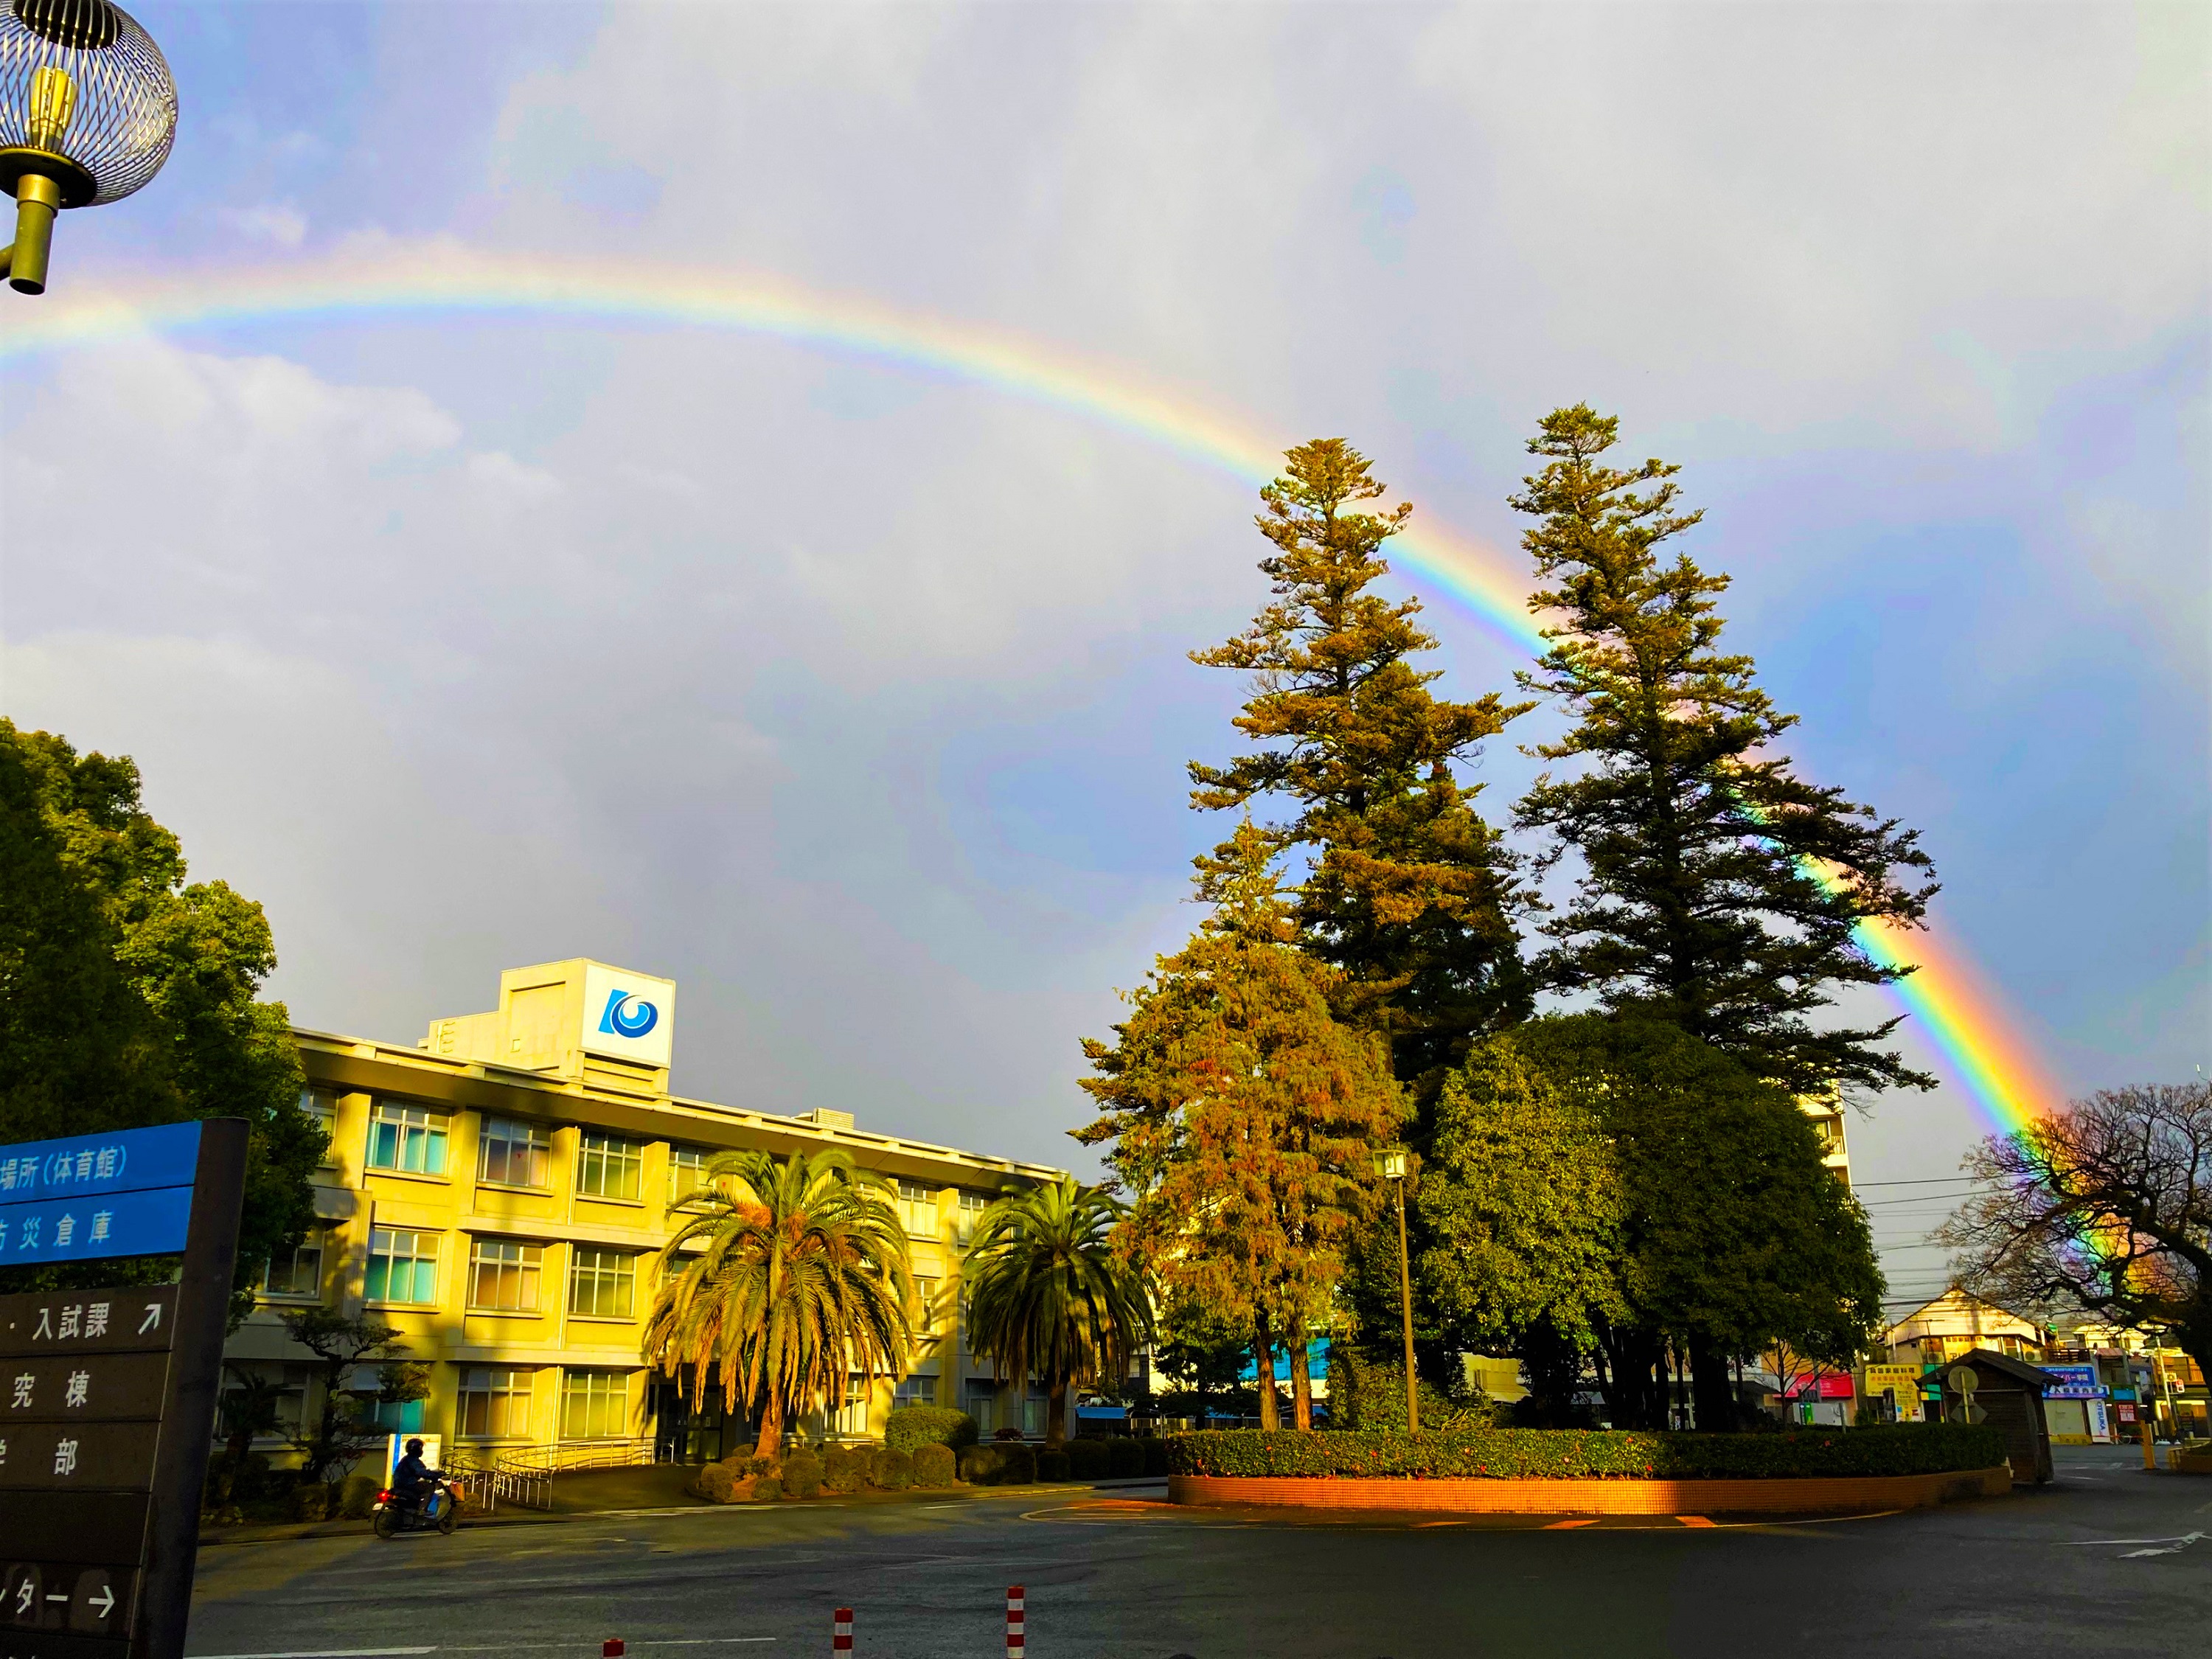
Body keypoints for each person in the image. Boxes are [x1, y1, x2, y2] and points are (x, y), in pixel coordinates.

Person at [392, 1438, 434, 1517]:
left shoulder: (406, 1459)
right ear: (418, 1449)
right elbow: (422, 1472)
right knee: (430, 1488)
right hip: (408, 1484)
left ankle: (414, 1509)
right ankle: (422, 1510)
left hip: (400, 1484)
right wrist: (434, 1474)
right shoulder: (414, 1461)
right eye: (421, 1448)